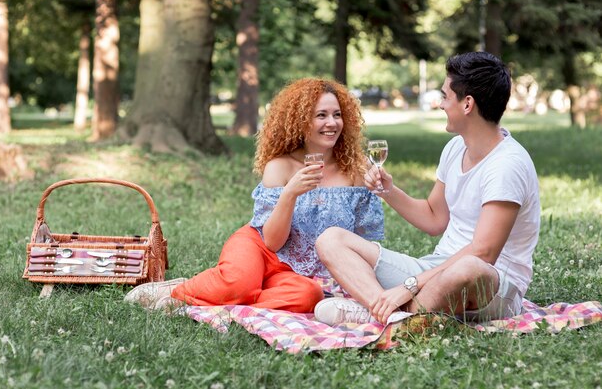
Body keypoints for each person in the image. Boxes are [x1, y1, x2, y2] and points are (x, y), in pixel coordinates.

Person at [314, 52, 541, 325]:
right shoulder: (456, 147)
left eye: (445, 96)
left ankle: (380, 311)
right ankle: (390, 313)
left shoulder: (507, 165)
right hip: (436, 268)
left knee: (467, 268)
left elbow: (483, 253)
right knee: (331, 239)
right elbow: (434, 218)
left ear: (467, 104)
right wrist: (389, 191)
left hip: (493, 285)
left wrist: (409, 285)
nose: (440, 104)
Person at [125, 78, 384, 312]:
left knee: (308, 295)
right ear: (300, 121)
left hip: (296, 273)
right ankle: (176, 290)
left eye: (337, 114)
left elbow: (362, 240)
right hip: (260, 247)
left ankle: (221, 301)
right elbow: (271, 242)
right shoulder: (279, 167)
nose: (332, 123)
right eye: (321, 115)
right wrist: (290, 193)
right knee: (239, 283)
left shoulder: (356, 170)